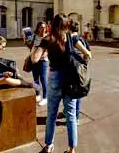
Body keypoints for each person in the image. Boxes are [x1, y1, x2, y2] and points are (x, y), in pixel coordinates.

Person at [32, 14, 91, 153]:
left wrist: (38, 45)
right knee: (70, 115)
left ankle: (49, 145)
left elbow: (35, 59)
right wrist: (79, 61)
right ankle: (71, 149)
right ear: (66, 25)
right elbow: (88, 54)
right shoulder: (72, 38)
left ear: (52, 25)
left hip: (54, 77)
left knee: (51, 114)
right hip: (70, 78)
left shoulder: (48, 40)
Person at [68, 19, 91, 125]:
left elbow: (88, 54)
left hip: (73, 69)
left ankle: (74, 116)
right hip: (81, 69)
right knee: (79, 92)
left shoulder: (72, 38)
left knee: (73, 94)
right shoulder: (82, 38)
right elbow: (89, 53)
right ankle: (74, 115)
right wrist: (84, 64)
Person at [30, 21, 49, 106]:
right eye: (41, 27)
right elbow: (31, 46)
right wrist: (26, 40)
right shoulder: (35, 36)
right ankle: (37, 94)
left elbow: (48, 50)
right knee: (35, 78)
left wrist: (43, 54)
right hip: (34, 59)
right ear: (38, 28)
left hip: (43, 60)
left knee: (43, 79)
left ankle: (45, 97)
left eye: (44, 27)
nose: (43, 29)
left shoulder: (47, 37)